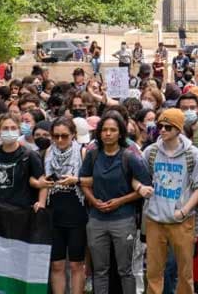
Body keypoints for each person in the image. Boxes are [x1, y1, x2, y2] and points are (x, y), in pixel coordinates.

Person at [135, 108, 198, 294]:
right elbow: (134, 175)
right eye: (160, 125)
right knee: (153, 271)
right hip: (155, 219)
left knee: (185, 273)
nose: (162, 130)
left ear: (178, 129)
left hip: (182, 220)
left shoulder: (192, 154)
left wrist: (184, 210)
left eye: (168, 127)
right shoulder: (150, 152)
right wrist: (139, 187)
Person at [79, 111, 151, 294]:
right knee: (100, 270)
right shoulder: (92, 155)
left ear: (120, 133)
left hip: (123, 219)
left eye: (113, 130)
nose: (108, 133)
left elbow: (145, 188)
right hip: (96, 219)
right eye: (104, 130)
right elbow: (83, 182)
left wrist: (120, 201)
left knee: (125, 270)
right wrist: (94, 201)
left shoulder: (130, 157)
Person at [45, 117, 88, 294]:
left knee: (76, 264)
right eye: (56, 136)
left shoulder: (82, 152)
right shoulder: (48, 152)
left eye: (64, 136)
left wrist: (76, 180)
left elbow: (92, 182)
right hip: (54, 214)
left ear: (73, 135)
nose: (60, 140)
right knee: (56, 264)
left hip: (77, 213)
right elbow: (42, 181)